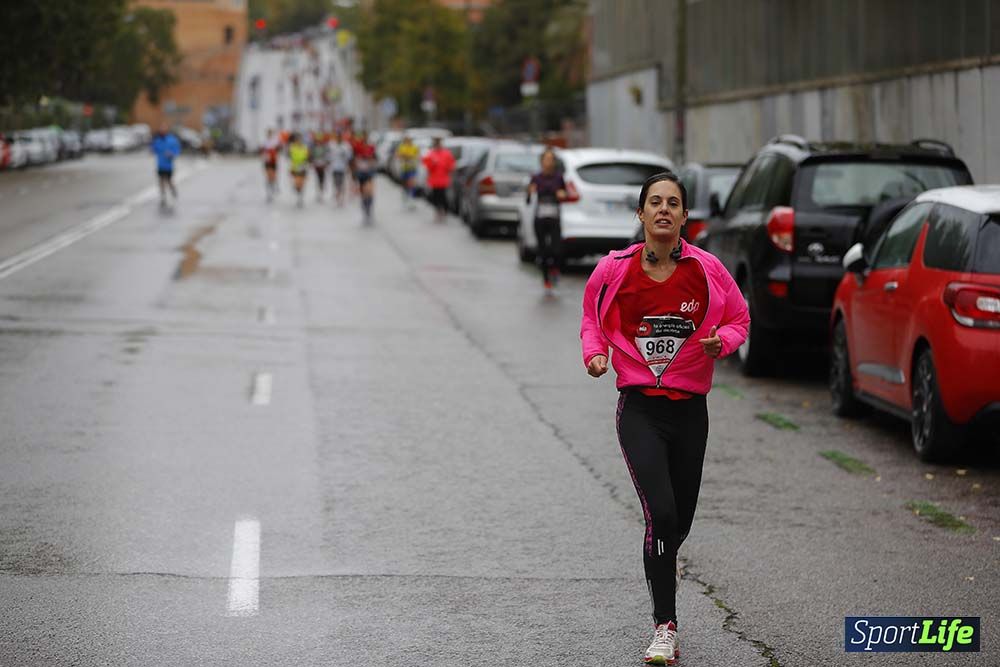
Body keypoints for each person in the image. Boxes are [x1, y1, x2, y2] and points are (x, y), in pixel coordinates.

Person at [579, 171, 750, 665]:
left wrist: (724, 343)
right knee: (662, 513)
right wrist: (595, 354)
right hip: (640, 410)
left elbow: (739, 318)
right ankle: (665, 627)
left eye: (673, 203)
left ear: (684, 216)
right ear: (641, 213)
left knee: (679, 522)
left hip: (690, 412)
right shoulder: (614, 269)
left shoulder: (707, 269)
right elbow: (592, 319)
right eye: (655, 202)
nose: (663, 210)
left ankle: (663, 557)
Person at [527, 148, 567, 290]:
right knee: (543, 250)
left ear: (554, 162)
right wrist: (530, 192)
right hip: (540, 218)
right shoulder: (536, 178)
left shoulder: (558, 177)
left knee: (556, 249)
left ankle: (555, 268)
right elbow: (528, 199)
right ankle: (546, 279)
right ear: (541, 161)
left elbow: (565, 194)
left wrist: (562, 194)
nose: (548, 162)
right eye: (546, 159)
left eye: (551, 159)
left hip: (554, 217)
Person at [422, 137, 455, 223]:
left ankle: (444, 211)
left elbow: (451, 165)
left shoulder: (446, 153)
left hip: (443, 180)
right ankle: (438, 211)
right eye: (436, 144)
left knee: (443, 197)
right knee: (435, 197)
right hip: (434, 180)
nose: (437, 146)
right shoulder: (431, 154)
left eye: (438, 144)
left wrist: (447, 168)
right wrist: (432, 164)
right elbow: (426, 165)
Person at [151, 123, 181, 208]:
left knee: (169, 181)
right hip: (160, 164)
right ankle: (163, 196)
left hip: (169, 165)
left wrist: (172, 154)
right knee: (161, 181)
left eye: (164, 129)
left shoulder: (172, 140)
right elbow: (153, 149)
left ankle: (173, 190)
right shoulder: (157, 140)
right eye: (161, 129)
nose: (162, 130)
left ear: (167, 130)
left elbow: (177, 150)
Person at [352, 131, 377, 224]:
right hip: (361, 173)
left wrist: (371, 161)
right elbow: (354, 159)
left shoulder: (371, 147)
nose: (365, 138)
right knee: (363, 194)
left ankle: (369, 209)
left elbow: (375, 158)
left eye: (366, 136)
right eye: (363, 137)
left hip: (369, 172)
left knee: (370, 192)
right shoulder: (357, 147)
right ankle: (365, 210)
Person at [395, 135, 421, 209]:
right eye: (406, 139)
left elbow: (417, 157)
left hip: (412, 168)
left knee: (411, 184)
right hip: (404, 169)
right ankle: (405, 199)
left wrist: (409, 157)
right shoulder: (402, 147)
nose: (408, 141)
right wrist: (403, 157)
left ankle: (412, 199)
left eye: (409, 139)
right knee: (405, 185)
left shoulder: (415, 147)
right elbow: (398, 156)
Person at [329, 130, 352, 206]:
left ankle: (341, 198)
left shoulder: (346, 145)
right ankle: (337, 195)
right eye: (337, 137)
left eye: (340, 137)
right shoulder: (332, 145)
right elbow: (329, 156)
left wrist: (345, 156)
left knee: (342, 183)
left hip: (342, 167)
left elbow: (349, 156)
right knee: (336, 183)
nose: (338, 138)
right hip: (334, 167)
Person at [287, 132, 310, 208]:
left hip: (303, 167)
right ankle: (298, 193)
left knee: (302, 183)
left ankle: (300, 197)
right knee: (297, 182)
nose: (298, 141)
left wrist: (307, 161)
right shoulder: (292, 147)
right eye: (297, 139)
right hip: (295, 167)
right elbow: (290, 156)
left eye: (299, 139)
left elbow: (307, 157)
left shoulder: (304, 147)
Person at [310, 131, 330, 202]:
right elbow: (311, 156)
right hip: (316, 165)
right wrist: (312, 162)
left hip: (322, 165)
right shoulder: (313, 147)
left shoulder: (324, 147)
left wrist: (326, 163)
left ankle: (321, 192)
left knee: (322, 179)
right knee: (317, 179)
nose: (318, 142)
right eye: (317, 141)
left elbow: (327, 156)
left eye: (319, 140)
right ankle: (318, 193)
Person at [261, 128, 281, 202]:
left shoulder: (275, 141)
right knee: (268, 176)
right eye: (268, 133)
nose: (269, 135)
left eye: (270, 133)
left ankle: (274, 187)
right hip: (267, 161)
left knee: (273, 176)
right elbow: (262, 151)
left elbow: (279, 149)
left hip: (274, 161)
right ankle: (269, 193)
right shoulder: (264, 141)